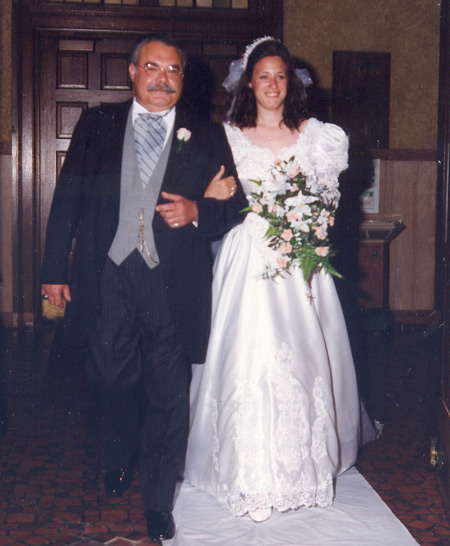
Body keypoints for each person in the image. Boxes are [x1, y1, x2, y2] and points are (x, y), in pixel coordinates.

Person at [40, 32, 247, 545]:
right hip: (106, 272)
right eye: (153, 68)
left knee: (169, 393)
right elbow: (68, 197)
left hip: (173, 279)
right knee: (109, 376)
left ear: (183, 78)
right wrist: (53, 269)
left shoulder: (205, 132)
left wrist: (200, 209)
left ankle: (158, 503)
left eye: (173, 70)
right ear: (133, 72)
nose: (163, 79)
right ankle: (118, 454)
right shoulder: (97, 124)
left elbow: (236, 202)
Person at [184, 37, 376, 523]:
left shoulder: (318, 136)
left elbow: (328, 205)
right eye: (263, 75)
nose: (272, 85)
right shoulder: (227, 135)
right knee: (247, 352)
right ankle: (243, 468)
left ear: (292, 84)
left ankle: (301, 466)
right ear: (249, 81)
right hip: (247, 254)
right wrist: (210, 191)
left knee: (304, 353)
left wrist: (310, 225)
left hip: (298, 261)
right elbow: (213, 197)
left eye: (280, 76)